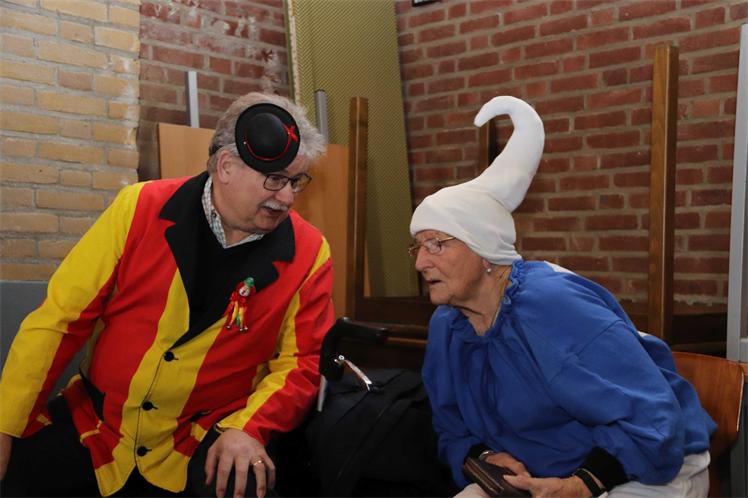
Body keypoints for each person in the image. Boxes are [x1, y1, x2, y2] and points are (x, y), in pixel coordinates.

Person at [0, 92, 334, 498]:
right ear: (226, 167)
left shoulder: (310, 253)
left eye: (296, 181)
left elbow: (303, 363)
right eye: (275, 180)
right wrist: (4, 423)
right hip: (100, 428)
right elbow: (60, 320)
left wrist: (247, 428)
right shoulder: (138, 208)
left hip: (204, 438)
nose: (287, 197)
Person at [408, 96, 716, 498]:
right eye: (418, 248)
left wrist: (583, 483)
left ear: (485, 251)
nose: (421, 263)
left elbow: (651, 417)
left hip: (646, 467)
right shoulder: (448, 325)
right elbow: (450, 425)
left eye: (436, 244)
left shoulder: (551, 306)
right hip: (541, 474)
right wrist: (483, 456)